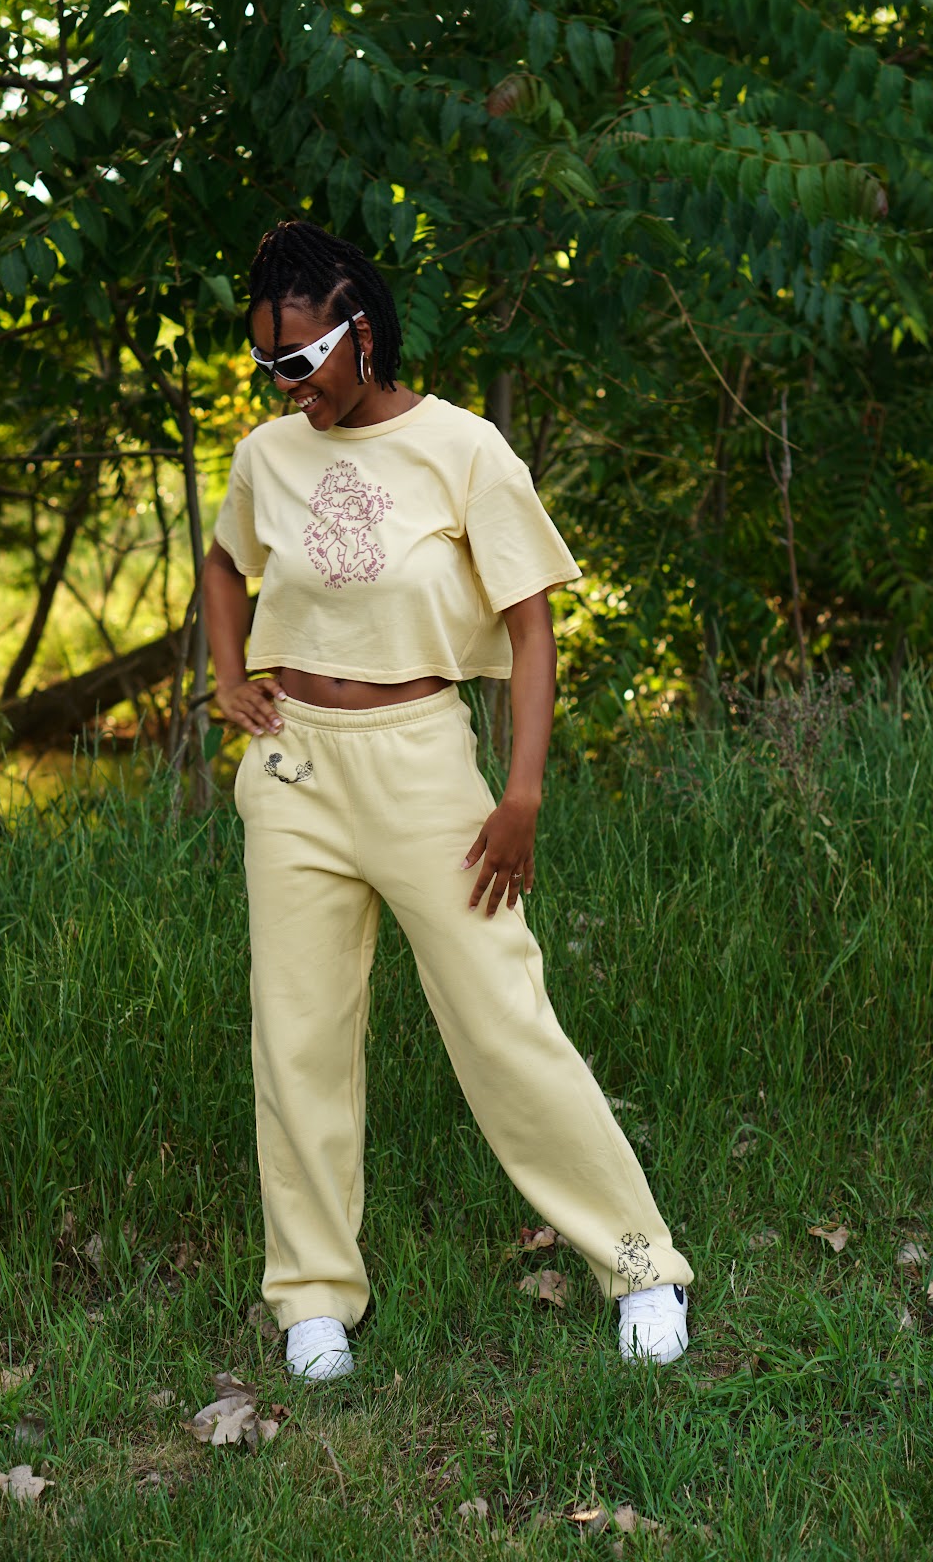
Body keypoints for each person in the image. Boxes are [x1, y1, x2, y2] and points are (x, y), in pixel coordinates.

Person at [204, 220, 694, 1382]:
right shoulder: (264, 458)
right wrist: (229, 680)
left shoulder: (462, 449)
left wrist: (518, 794)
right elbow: (225, 566)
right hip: (293, 775)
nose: (282, 387)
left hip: (426, 766)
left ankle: (638, 1263)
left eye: (295, 362)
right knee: (298, 1035)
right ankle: (313, 1295)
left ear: (356, 334)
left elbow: (530, 627)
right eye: (265, 366)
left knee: (502, 1024)